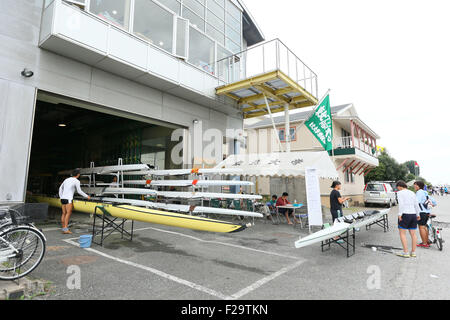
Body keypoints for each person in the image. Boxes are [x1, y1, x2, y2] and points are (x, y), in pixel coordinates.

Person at [59, 169, 91, 234]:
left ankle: (63, 228)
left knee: (63, 213)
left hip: (62, 198)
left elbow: (60, 188)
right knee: (68, 213)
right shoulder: (76, 181)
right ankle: (65, 229)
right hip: (68, 199)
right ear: (78, 175)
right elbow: (79, 191)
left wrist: (61, 196)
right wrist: (87, 196)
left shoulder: (66, 179)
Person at [396, 180, 420, 258]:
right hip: (413, 214)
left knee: (402, 233)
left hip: (405, 214)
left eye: (397, 187)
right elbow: (416, 204)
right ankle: (413, 252)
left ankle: (405, 252)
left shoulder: (399, 193)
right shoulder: (412, 192)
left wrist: (400, 214)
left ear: (400, 186)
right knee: (413, 234)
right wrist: (418, 214)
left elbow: (401, 204)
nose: (397, 189)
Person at [414, 181, 437, 248]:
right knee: (425, 227)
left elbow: (416, 202)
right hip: (427, 213)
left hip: (421, 212)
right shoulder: (425, 193)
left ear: (418, 186)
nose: (414, 186)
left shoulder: (419, 192)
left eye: (415, 185)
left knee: (421, 228)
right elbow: (434, 203)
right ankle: (426, 242)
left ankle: (424, 243)